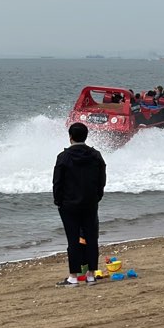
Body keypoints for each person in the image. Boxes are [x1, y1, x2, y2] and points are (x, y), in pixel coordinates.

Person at [53, 122, 107, 287]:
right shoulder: (95, 155)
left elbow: (57, 182)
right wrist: (97, 196)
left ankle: (73, 277)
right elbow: (101, 179)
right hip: (90, 203)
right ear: (86, 136)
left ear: (70, 137)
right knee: (91, 238)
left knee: (73, 240)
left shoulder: (64, 157)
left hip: (69, 205)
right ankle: (91, 275)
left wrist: (58, 201)